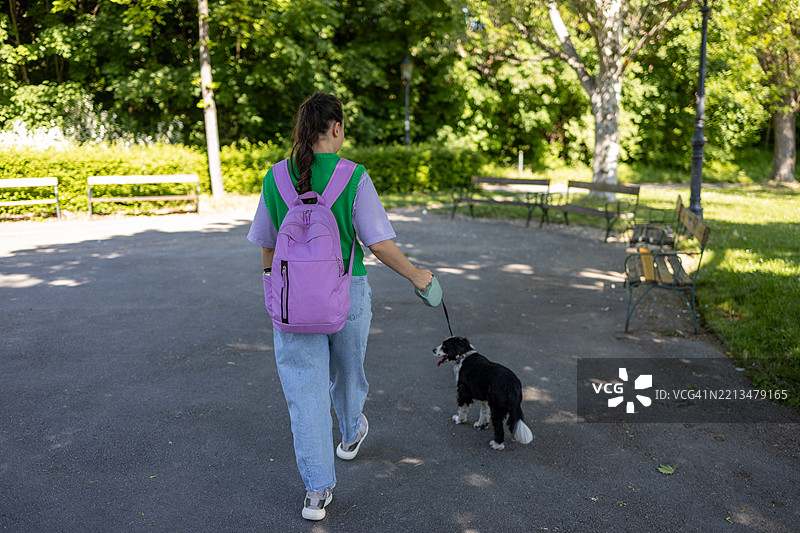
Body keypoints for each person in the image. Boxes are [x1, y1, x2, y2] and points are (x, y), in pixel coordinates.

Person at [247, 92, 433, 521]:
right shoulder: (354, 176)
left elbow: (267, 246)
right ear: (336, 129)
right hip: (347, 295)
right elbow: (379, 243)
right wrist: (417, 275)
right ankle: (350, 435)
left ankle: (316, 493)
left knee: (304, 394)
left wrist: (273, 291)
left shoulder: (275, 177)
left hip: (292, 304)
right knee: (349, 373)